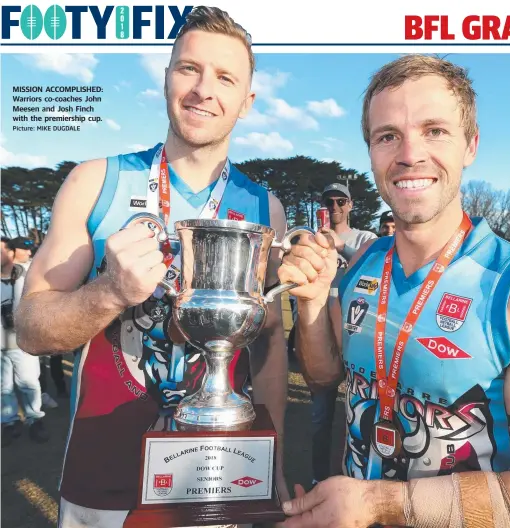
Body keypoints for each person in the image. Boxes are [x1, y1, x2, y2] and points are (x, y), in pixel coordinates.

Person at [279, 54, 510, 527]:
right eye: (388, 136)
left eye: (435, 131)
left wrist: (377, 503)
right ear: (371, 152)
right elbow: (325, 377)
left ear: (470, 144)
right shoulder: (363, 264)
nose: (410, 154)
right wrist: (310, 306)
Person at [15, 6, 289, 526]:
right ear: (165, 78)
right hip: (103, 480)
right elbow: (30, 328)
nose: (204, 89)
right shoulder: (97, 181)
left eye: (225, 77)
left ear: (247, 102)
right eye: (189, 68)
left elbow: (270, 346)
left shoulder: (263, 209)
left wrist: (273, 457)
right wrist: (109, 292)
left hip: (219, 472)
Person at [307, 183, 377, 486]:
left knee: (356, 411)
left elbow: (373, 271)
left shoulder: (366, 239)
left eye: (340, 201)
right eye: (328, 201)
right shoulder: (313, 239)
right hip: (318, 330)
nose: (334, 206)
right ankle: (318, 479)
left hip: (354, 332)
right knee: (319, 414)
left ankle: (353, 478)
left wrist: (341, 247)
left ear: (350, 205)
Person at [1, 237, 49, 446]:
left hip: (21, 339)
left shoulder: (25, 275)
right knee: (3, 386)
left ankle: (34, 419)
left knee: (29, 382)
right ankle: (8, 421)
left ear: (11, 253)